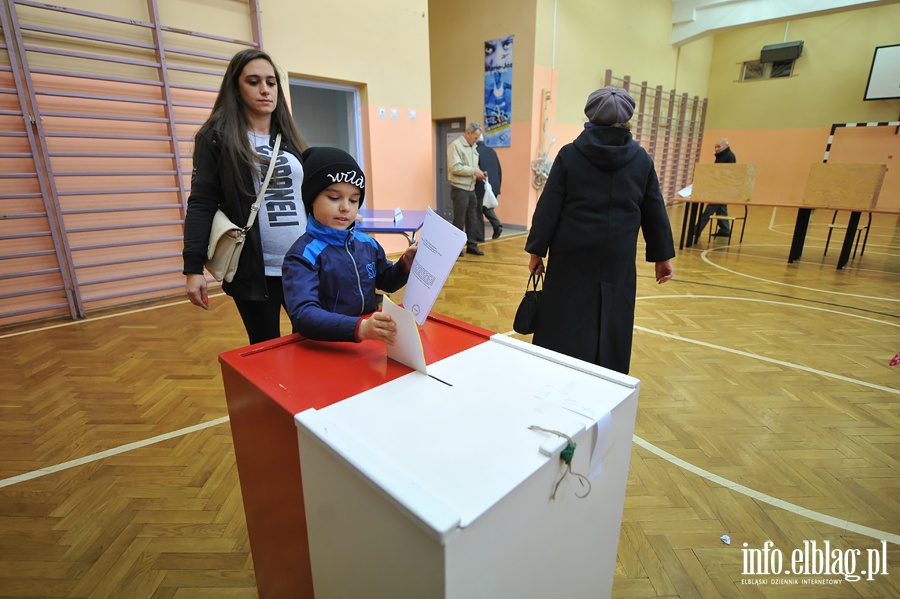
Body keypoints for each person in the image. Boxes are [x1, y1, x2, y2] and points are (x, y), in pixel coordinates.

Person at [524, 86, 675, 375]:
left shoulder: (570, 155)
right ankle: (608, 378)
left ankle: (559, 374)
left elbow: (549, 207)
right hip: (616, 257)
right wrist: (662, 256)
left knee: (565, 316)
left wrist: (536, 251)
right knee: (612, 316)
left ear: (590, 115)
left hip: (571, 254)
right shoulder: (641, 159)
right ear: (627, 120)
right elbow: (654, 209)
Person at [182, 49, 309, 345]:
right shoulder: (216, 137)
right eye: (253, 81)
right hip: (255, 270)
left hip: (303, 264)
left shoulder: (290, 138)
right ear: (236, 89)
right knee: (266, 349)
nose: (265, 89)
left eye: (271, 82)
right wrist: (193, 268)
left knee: (313, 341)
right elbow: (201, 203)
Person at [282, 147, 418, 345]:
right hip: (323, 348)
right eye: (334, 198)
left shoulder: (367, 244)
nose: (345, 207)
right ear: (311, 199)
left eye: (354, 200)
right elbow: (304, 315)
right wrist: (358, 328)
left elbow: (386, 281)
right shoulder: (303, 255)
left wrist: (404, 265)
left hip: (365, 342)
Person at [448, 123, 486, 256]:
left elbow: (471, 167)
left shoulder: (473, 147)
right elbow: (455, 167)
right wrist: (473, 171)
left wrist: (479, 173)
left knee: (473, 218)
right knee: (459, 220)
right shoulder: (456, 146)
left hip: (471, 188)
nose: (476, 140)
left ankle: (472, 245)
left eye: (477, 138)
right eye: (475, 137)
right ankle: (456, 249)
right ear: (468, 133)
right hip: (460, 188)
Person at [694, 138, 737, 238]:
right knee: (721, 209)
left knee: (709, 210)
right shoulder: (722, 156)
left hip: (721, 189)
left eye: (718, 147)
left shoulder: (729, 156)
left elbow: (727, 173)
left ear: (726, 146)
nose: (716, 149)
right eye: (715, 147)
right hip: (719, 187)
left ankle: (696, 230)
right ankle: (725, 230)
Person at [474, 134, 503, 240]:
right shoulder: (492, 151)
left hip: (482, 186)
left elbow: (477, 171)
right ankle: (496, 225)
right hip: (494, 185)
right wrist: (498, 185)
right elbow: (499, 170)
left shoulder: (475, 151)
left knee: (478, 211)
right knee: (487, 207)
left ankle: (479, 237)